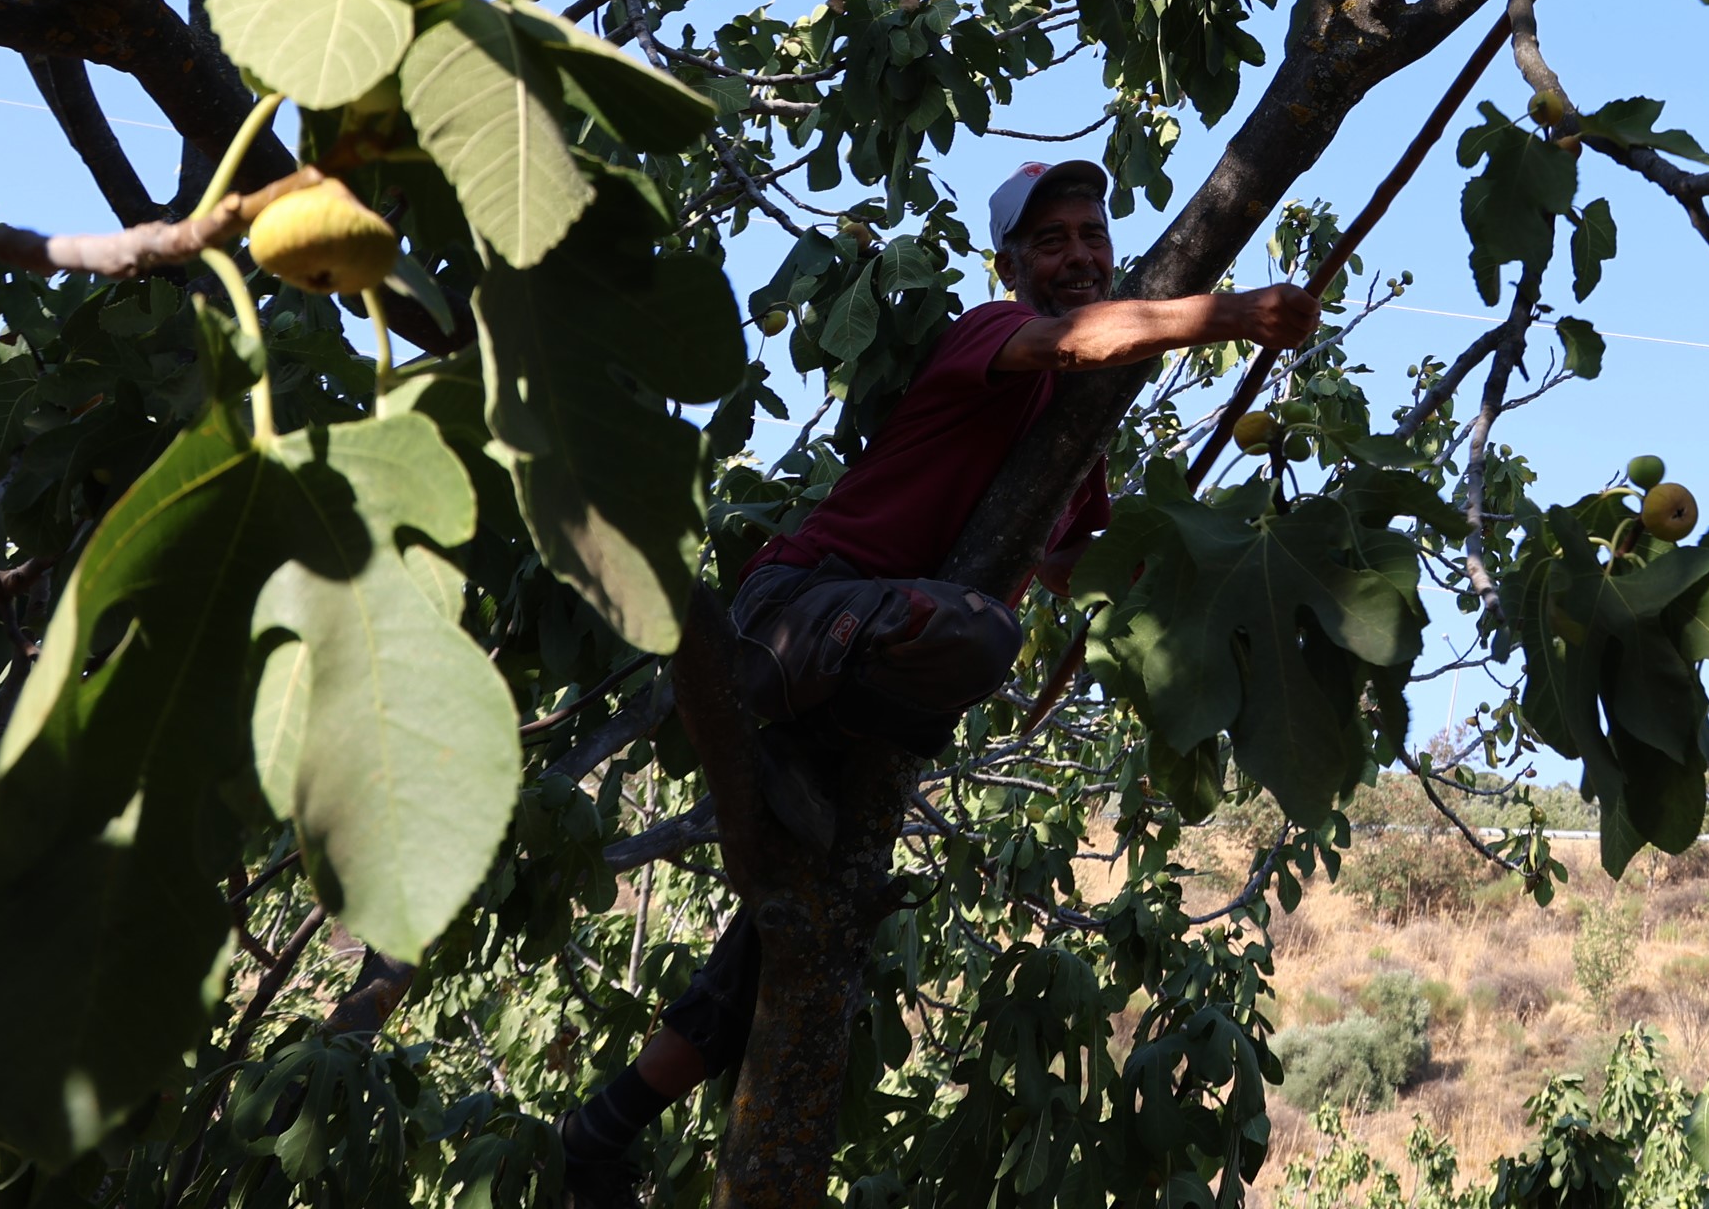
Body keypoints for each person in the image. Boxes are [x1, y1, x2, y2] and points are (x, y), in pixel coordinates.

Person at [555, 159, 1314, 1204]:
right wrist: (1229, 312)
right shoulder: (987, 333)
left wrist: (1227, 580)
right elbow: (1084, 339)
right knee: (982, 635)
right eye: (1052, 240)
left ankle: (603, 1129)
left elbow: (1082, 563)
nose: (1080, 256)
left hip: (864, 700)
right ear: (1012, 266)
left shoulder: (1072, 441)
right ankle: (769, 697)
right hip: (804, 606)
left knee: (778, 949)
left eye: (1093, 234)